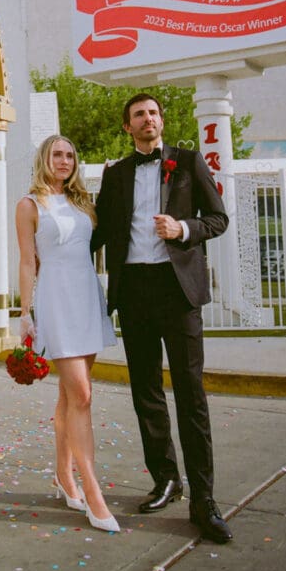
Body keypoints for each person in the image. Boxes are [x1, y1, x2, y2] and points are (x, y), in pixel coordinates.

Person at [91, 94, 233, 543]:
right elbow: (100, 231)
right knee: (146, 391)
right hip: (134, 291)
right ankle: (166, 479)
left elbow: (218, 218)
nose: (148, 119)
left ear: (161, 121)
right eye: (138, 115)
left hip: (178, 292)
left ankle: (203, 501)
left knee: (191, 394)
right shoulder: (115, 174)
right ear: (127, 126)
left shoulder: (188, 162)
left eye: (153, 113)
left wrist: (183, 229)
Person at [16, 134, 119, 533]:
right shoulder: (29, 205)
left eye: (70, 155)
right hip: (57, 298)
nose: (64, 160)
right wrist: (25, 313)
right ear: (45, 159)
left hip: (87, 296)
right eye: (57, 154)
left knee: (69, 397)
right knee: (82, 394)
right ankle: (94, 493)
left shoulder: (82, 203)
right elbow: (28, 262)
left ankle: (63, 474)